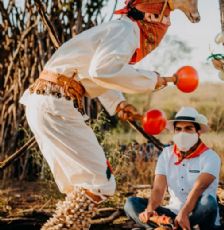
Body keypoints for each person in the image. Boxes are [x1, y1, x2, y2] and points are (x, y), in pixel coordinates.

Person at [19, 1, 199, 229]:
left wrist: (119, 104)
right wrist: (152, 79)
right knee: (100, 183)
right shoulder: (126, 30)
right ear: (154, 15)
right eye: (166, 19)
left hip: (45, 103)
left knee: (82, 186)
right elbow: (101, 71)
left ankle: (60, 226)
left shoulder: (116, 29)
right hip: (56, 106)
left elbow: (97, 73)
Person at [124, 107, 221, 229]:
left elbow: (199, 187)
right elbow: (159, 189)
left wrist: (184, 213)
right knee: (131, 204)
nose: (182, 133)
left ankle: (165, 226)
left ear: (198, 132)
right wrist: (150, 209)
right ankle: (169, 224)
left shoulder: (210, 157)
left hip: (198, 215)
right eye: (178, 129)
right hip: (173, 212)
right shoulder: (166, 154)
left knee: (208, 202)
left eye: (188, 128)